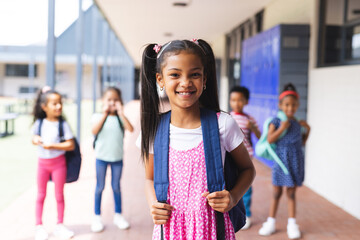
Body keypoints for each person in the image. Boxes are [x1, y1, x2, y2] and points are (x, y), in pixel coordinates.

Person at [138, 39, 256, 240]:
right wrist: (153, 205)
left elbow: (248, 169)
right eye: (175, 74)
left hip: (212, 230)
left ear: (204, 79)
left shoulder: (223, 124)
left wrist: (233, 197)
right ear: (160, 79)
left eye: (194, 74)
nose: (185, 82)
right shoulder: (154, 129)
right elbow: (150, 177)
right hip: (170, 230)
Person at [258, 84, 310, 239]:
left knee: (291, 193)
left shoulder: (298, 123)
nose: (290, 108)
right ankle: (271, 223)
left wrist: (308, 129)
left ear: (298, 105)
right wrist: (282, 128)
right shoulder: (276, 121)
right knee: (276, 192)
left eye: (293, 105)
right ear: (280, 105)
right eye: (287, 105)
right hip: (281, 162)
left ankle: (292, 224)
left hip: (295, 161)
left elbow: (302, 143)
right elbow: (270, 139)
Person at [31, 86, 75, 240]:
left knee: (59, 195)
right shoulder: (39, 123)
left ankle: (60, 225)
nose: (59, 106)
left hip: (59, 164)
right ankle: (39, 226)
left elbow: (70, 145)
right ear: (44, 107)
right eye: (54, 103)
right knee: (41, 195)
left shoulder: (63, 124)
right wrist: (36, 139)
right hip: (42, 164)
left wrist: (52, 146)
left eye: (60, 103)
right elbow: (33, 138)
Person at [90, 87, 134, 232]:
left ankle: (118, 215)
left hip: (117, 159)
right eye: (109, 100)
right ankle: (97, 217)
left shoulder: (120, 119)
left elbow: (131, 129)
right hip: (101, 159)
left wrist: (121, 113)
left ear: (120, 102)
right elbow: (94, 131)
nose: (112, 103)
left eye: (115, 100)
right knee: (100, 187)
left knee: (116, 187)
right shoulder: (97, 116)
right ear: (103, 101)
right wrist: (104, 114)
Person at [229, 86, 261, 230]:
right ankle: (232, 211)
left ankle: (246, 214)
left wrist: (252, 128)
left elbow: (260, 137)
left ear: (246, 101)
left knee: (246, 187)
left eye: (240, 100)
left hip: (246, 157)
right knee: (231, 184)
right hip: (230, 158)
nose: (236, 103)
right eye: (233, 100)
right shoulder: (227, 117)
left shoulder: (249, 119)